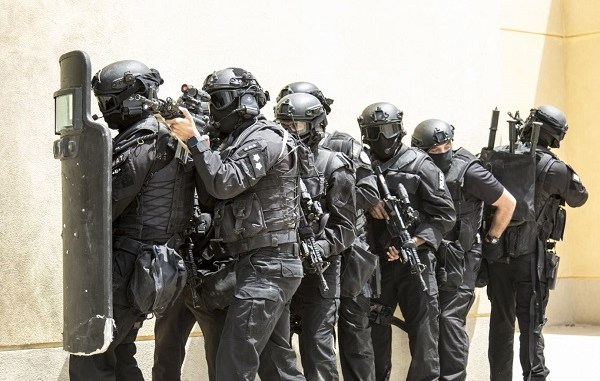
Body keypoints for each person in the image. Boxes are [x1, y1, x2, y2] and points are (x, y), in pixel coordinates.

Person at [167, 67, 306, 381]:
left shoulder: (266, 137)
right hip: (255, 265)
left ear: (246, 100)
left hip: (269, 266)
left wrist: (196, 143)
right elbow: (210, 197)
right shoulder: (236, 140)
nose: (217, 108)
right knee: (278, 368)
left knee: (232, 368)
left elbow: (224, 183)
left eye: (222, 99)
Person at [69, 59, 195, 380]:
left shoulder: (145, 138)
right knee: (120, 351)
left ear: (133, 97)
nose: (105, 110)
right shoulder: (165, 133)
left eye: (109, 102)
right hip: (150, 262)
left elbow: (106, 202)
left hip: (129, 264)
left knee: (91, 357)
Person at [277, 81, 381, 381]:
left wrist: (320, 246)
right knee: (279, 347)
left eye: (295, 123)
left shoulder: (335, 158)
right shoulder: (277, 157)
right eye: (284, 122)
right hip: (282, 265)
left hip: (325, 266)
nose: (289, 129)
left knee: (321, 345)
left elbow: (347, 223)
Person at [482, 105, 588, 381]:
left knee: (501, 324)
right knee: (531, 325)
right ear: (555, 136)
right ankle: (535, 376)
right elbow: (579, 197)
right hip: (531, 258)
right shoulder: (554, 168)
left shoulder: (499, 156)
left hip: (497, 253)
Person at [411, 118, 516, 381]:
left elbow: (508, 203)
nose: (440, 154)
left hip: (461, 257)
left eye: (445, 147)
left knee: (450, 319)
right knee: (428, 319)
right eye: (433, 151)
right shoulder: (414, 166)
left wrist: (490, 239)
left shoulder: (469, 171)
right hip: (429, 254)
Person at [359, 102, 456, 381]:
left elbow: (445, 214)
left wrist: (415, 241)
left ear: (399, 129)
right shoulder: (361, 163)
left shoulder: (419, 163)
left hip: (416, 261)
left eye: (388, 130)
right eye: (374, 131)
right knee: (375, 331)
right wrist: (368, 201)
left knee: (424, 334)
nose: (382, 137)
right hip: (376, 263)